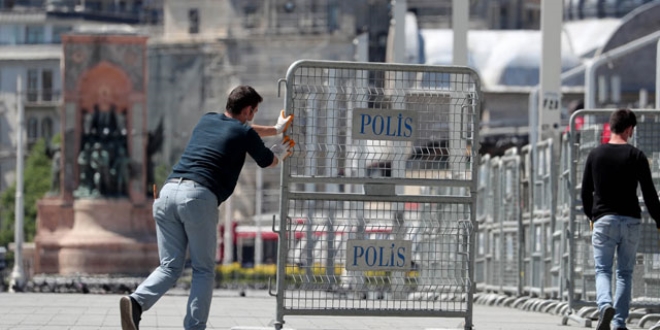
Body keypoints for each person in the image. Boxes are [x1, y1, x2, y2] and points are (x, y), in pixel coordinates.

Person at [120, 85, 295, 330]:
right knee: (203, 269)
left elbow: (245, 130)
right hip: (198, 196)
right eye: (254, 111)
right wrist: (281, 151)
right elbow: (268, 161)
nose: (253, 116)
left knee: (170, 266)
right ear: (247, 110)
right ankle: (194, 327)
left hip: (167, 193)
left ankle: (136, 302)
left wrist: (276, 130)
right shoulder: (245, 133)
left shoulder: (207, 120)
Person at [581, 108, 660, 330]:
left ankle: (605, 304)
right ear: (628, 129)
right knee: (624, 273)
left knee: (603, 270)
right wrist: (659, 219)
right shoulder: (637, 156)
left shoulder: (595, 155)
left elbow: (586, 192)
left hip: (604, 220)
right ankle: (618, 323)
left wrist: (592, 217)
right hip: (631, 222)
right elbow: (650, 195)